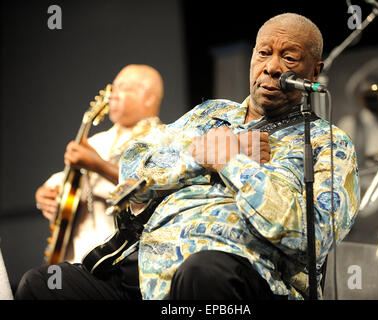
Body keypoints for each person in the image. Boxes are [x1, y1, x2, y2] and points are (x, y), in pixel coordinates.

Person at [16, 13, 359, 300]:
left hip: (243, 273)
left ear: (314, 72)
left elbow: (312, 237)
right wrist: (198, 159)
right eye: (263, 53)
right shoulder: (208, 115)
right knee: (40, 284)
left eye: (288, 57)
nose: (270, 67)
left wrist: (231, 162)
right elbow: (132, 172)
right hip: (148, 265)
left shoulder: (327, 143)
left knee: (202, 273)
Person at [34, 64, 165, 263]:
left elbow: (150, 186)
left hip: (123, 261)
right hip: (76, 256)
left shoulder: (162, 138)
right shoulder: (98, 141)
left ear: (149, 97)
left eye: (124, 88)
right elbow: (64, 181)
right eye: (113, 87)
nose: (113, 94)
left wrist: (98, 165)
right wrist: (44, 194)